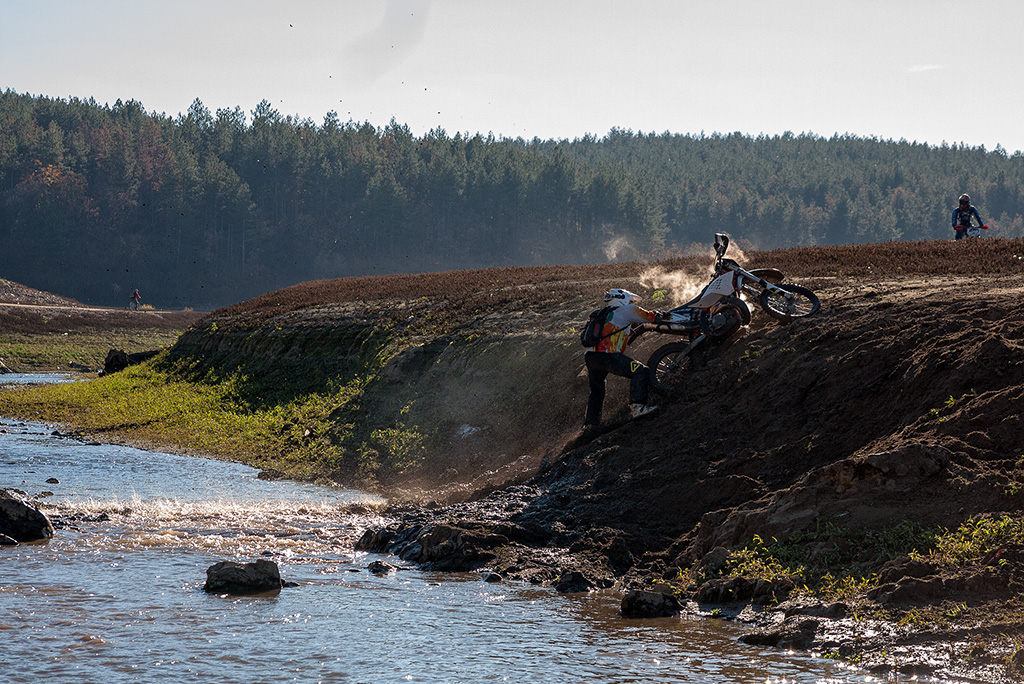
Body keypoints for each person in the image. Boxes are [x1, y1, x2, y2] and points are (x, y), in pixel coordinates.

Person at [582, 288, 659, 433]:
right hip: (607, 355)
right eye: (630, 300)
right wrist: (662, 315)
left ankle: (590, 425)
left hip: (590, 357)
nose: (631, 303)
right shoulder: (627, 310)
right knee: (640, 371)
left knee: (597, 392)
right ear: (623, 299)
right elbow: (650, 317)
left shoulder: (603, 314)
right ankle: (638, 407)